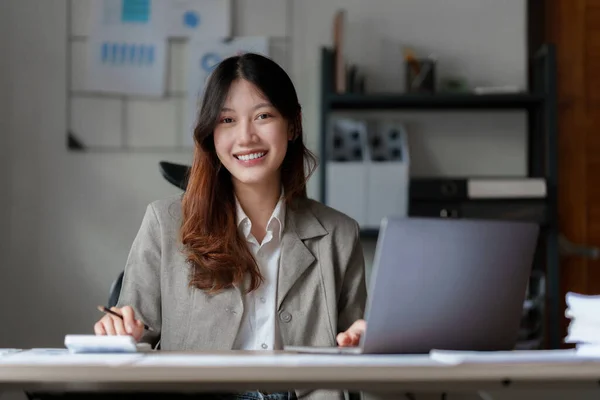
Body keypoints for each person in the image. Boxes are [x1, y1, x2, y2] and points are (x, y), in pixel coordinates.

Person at [94, 53, 368, 400]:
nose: (246, 136)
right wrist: (122, 333)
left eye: (263, 116)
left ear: (293, 124)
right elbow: (133, 338)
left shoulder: (339, 235)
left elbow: (354, 354)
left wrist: (362, 341)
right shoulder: (164, 225)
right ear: (210, 133)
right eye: (227, 120)